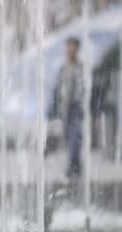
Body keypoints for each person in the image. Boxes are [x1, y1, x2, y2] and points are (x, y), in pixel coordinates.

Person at [50, 37, 85, 179]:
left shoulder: (81, 68)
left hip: (78, 107)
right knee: (70, 138)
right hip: (65, 109)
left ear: (77, 49)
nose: (70, 49)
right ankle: (76, 166)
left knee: (74, 137)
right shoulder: (63, 69)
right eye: (68, 46)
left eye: (73, 47)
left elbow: (86, 89)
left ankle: (72, 167)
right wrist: (53, 111)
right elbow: (57, 91)